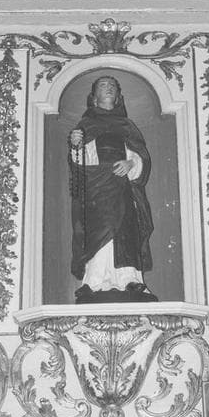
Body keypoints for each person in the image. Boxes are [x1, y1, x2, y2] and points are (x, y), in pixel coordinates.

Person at [68, 75, 157, 303]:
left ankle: (129, 280)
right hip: (96, 189)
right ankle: (94, 282)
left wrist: (131, 163)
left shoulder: (127, 126)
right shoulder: (85, 125)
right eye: (102, 85)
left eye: (112, 86)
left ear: (118, 97)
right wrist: (76, 145)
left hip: (122, 189)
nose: (108, 88)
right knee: (99, 230)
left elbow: (140, 156)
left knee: (124, 230)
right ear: (94, 97)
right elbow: (79, 167)